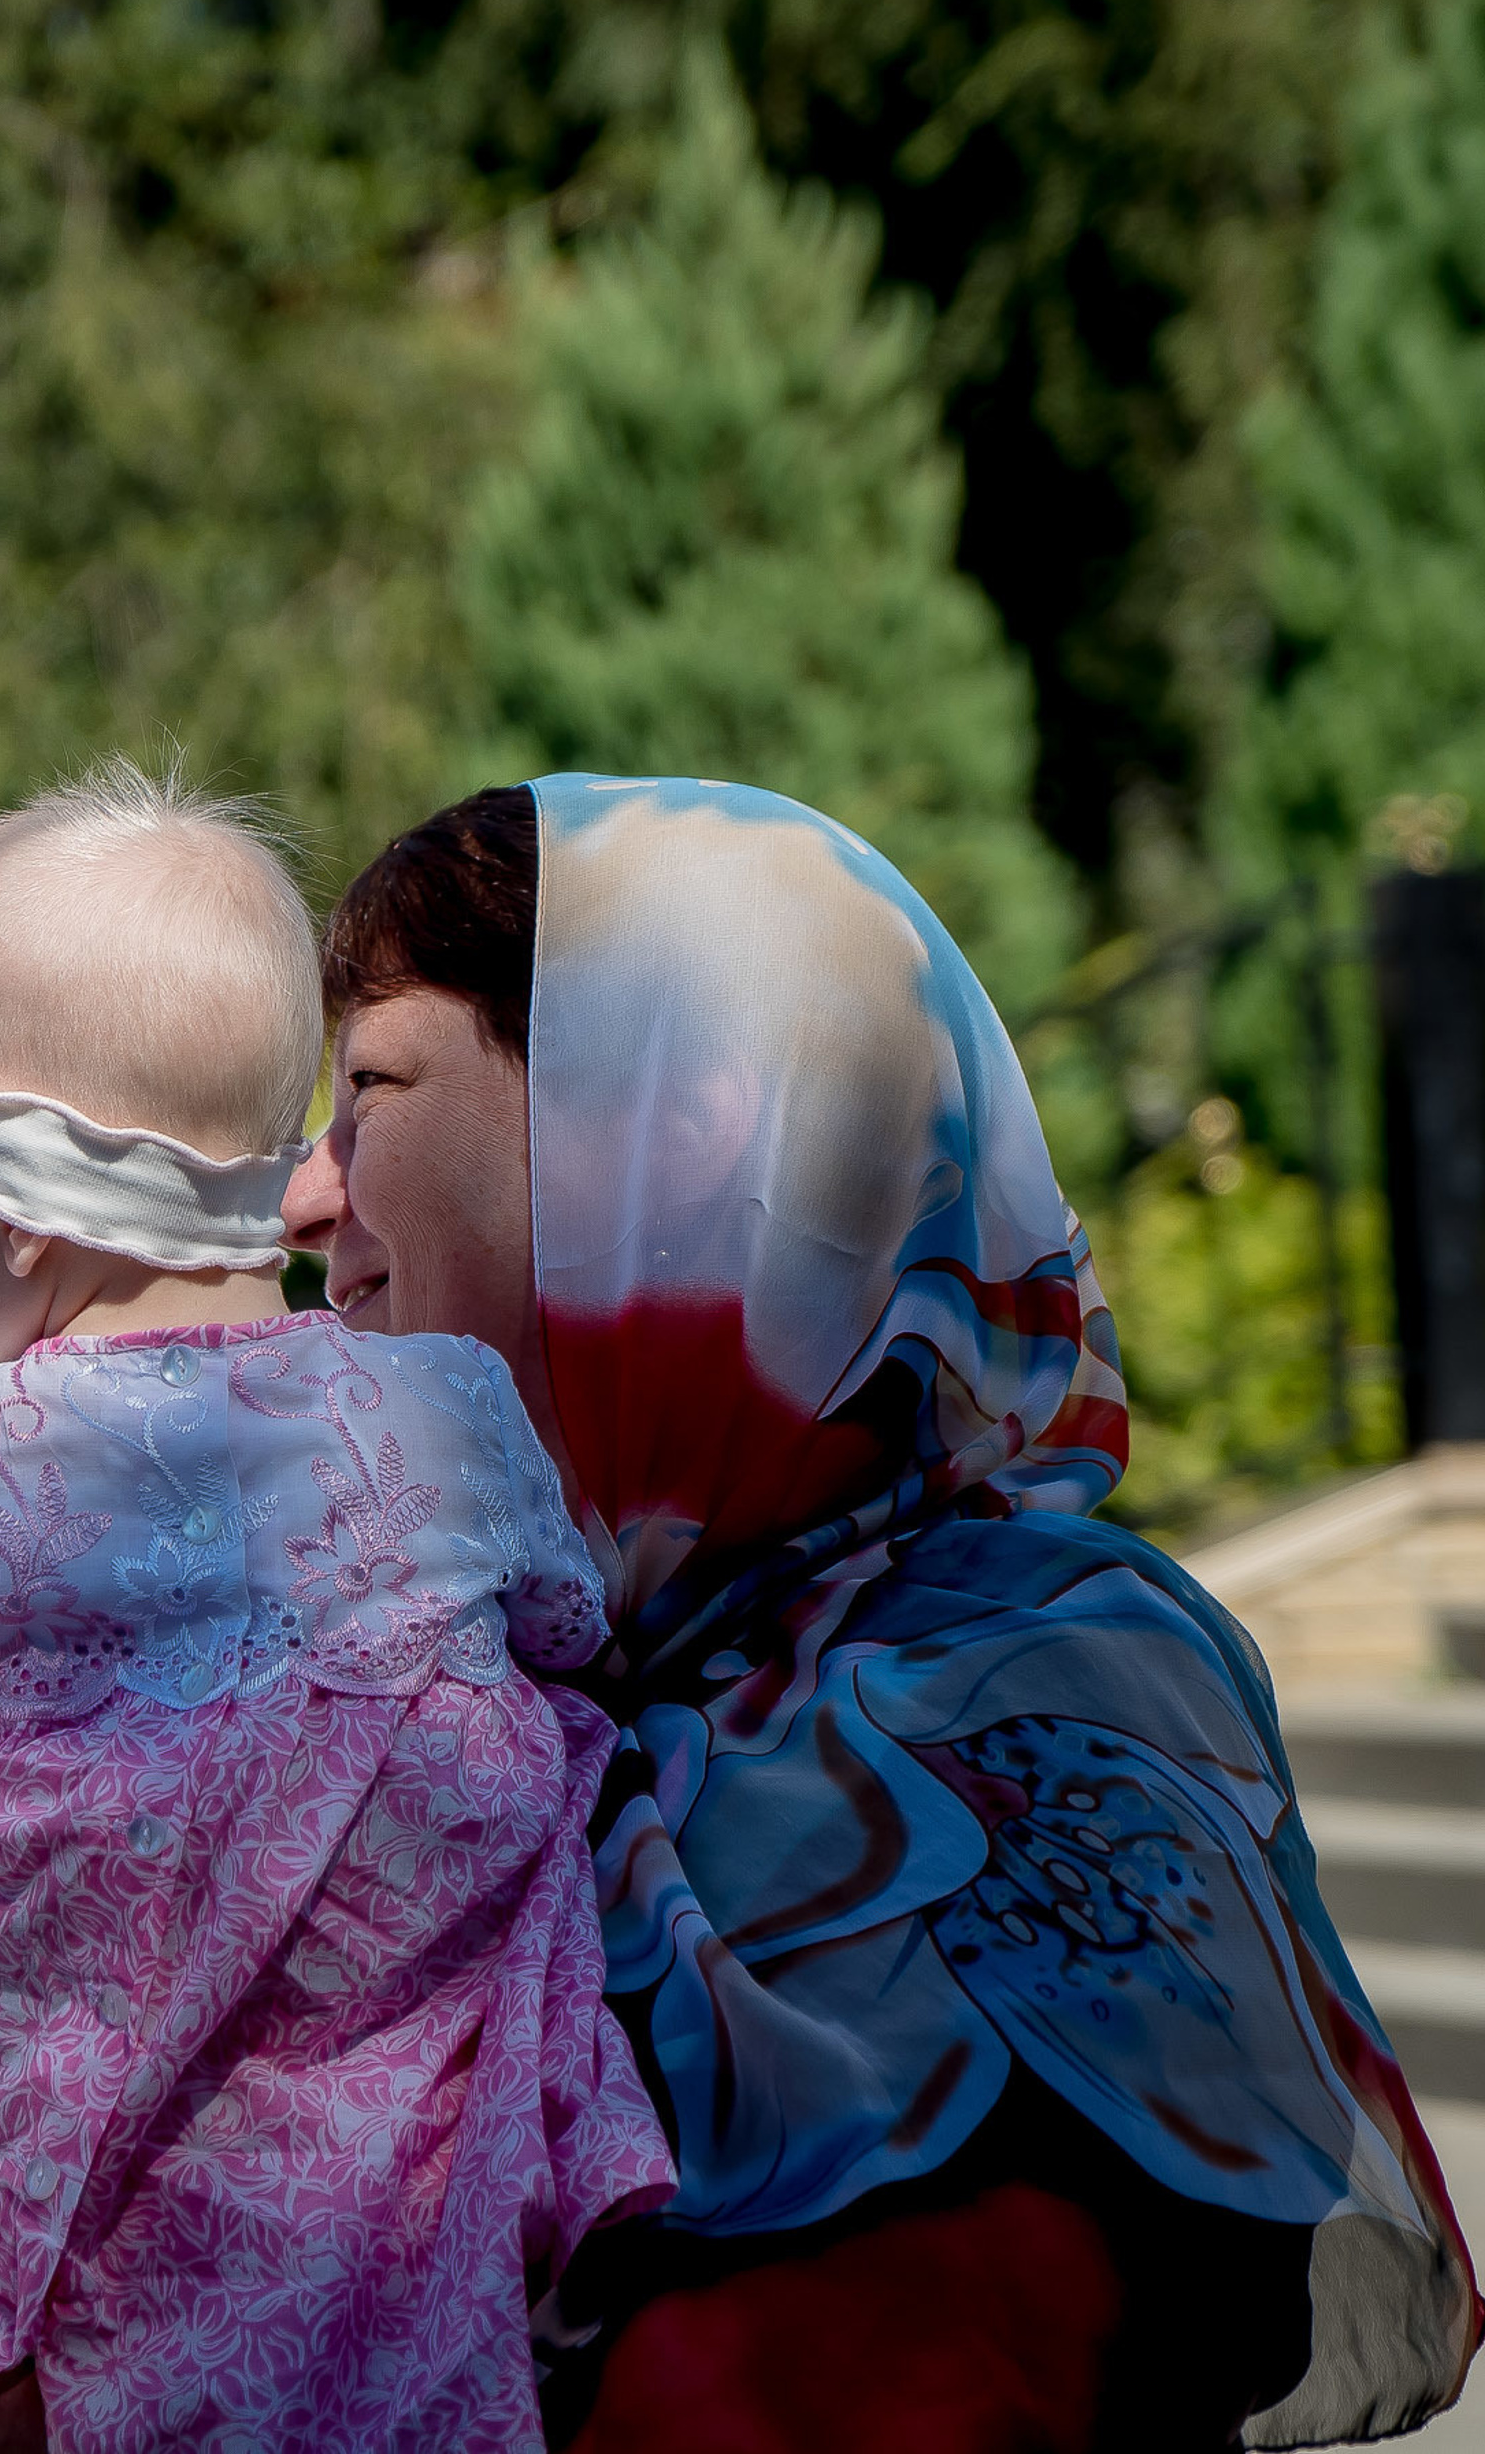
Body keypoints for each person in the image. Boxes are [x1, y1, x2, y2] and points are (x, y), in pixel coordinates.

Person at [282, 774, 1482, 2452]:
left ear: (648, 1136)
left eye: (368, 1095)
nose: (304, 1201)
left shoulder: (1061, 1683)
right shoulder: (467, 1685)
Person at [0, 770, 671, 2453]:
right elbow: (571, 1635)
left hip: (68, 2223)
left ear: (22, 1224)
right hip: (385, 2191)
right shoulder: (449, 1415)